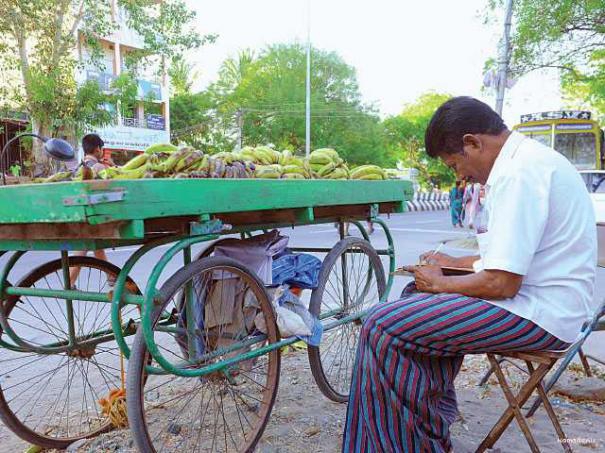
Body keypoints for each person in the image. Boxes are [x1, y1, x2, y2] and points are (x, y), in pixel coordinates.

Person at [342, 97, 598, 452]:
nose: (460, 176)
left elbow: (502, 282)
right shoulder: (527, 162)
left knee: (381, 325)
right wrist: (450, 263)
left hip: (541, 314)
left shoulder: (519, 173)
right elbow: (505, 259)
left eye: (455, 163)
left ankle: (404, 442)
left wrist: (442, 282)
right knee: (412, 297)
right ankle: (425, 434)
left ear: (473, 142)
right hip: (542, 304)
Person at [69, 134, 114, 287]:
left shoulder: (78, 168)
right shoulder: (99, 168)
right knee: (84, 247)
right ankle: (70, 281)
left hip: (78, 213)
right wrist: (113, 168)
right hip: (94, 215)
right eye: (102, 149)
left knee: (95, 246)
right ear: (97, 149)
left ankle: (110, 276)